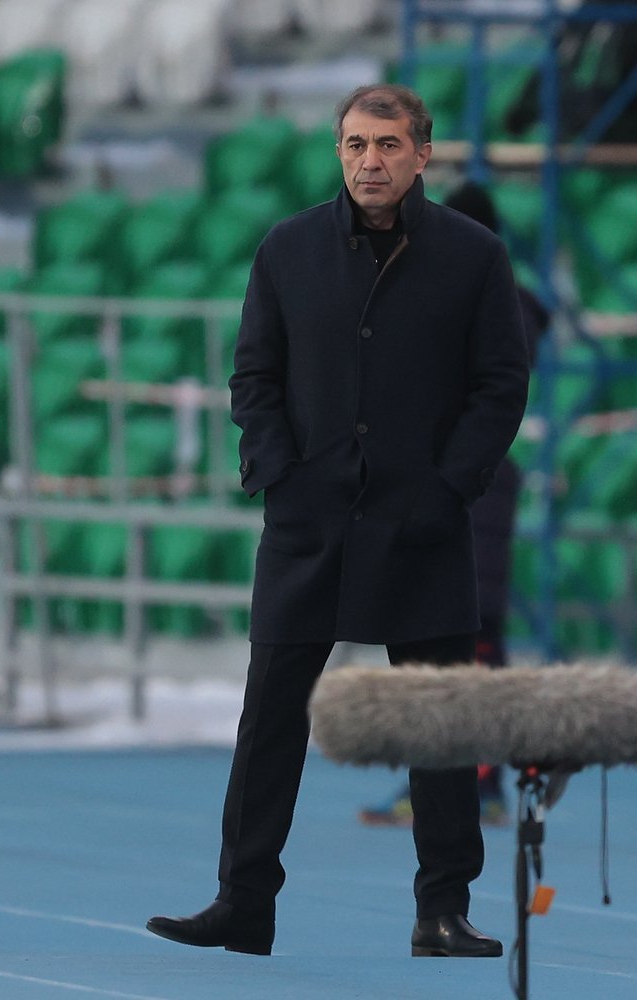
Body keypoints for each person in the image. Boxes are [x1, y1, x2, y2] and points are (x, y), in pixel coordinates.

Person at [146, 85, 530, 959]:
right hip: (307, 522)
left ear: (423, 154)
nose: (370, 162)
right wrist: (276, 475)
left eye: (389, 145)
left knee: (437, 721)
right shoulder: (287, 249)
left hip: (422, 522)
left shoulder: (473, 257)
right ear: (338, 153)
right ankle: (243, 904)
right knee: (270, 722)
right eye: (355, 145)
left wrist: (449, 489)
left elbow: (501, 385)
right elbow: (254, 376)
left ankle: (443, 911)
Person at [358, 179, 550, 829]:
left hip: (462, 484)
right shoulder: (491, 300)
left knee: (461, 641)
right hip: (464, 481)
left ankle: (465, 782)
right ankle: (461, 780)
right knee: (455, 640)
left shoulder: (476, 300)